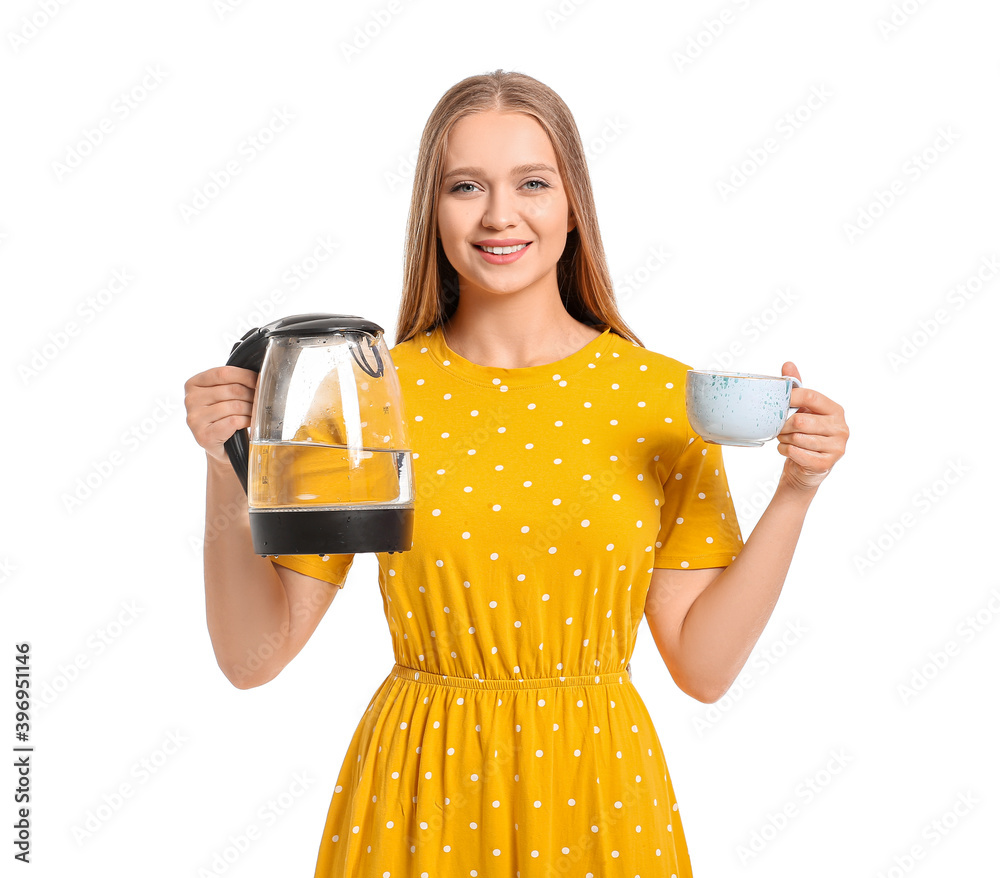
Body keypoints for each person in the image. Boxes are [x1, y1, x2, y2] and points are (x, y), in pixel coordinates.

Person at [183, 69, 849, 877]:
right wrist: (227, 470)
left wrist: (796, 492)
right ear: (432, 210)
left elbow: (703, 671)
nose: (501, 215)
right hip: (416, 793)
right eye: (466, 186)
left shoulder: (668, 401)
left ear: (574, 204)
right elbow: (254, 656)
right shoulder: (367, 398)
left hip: (600, 796)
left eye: (532, 182)